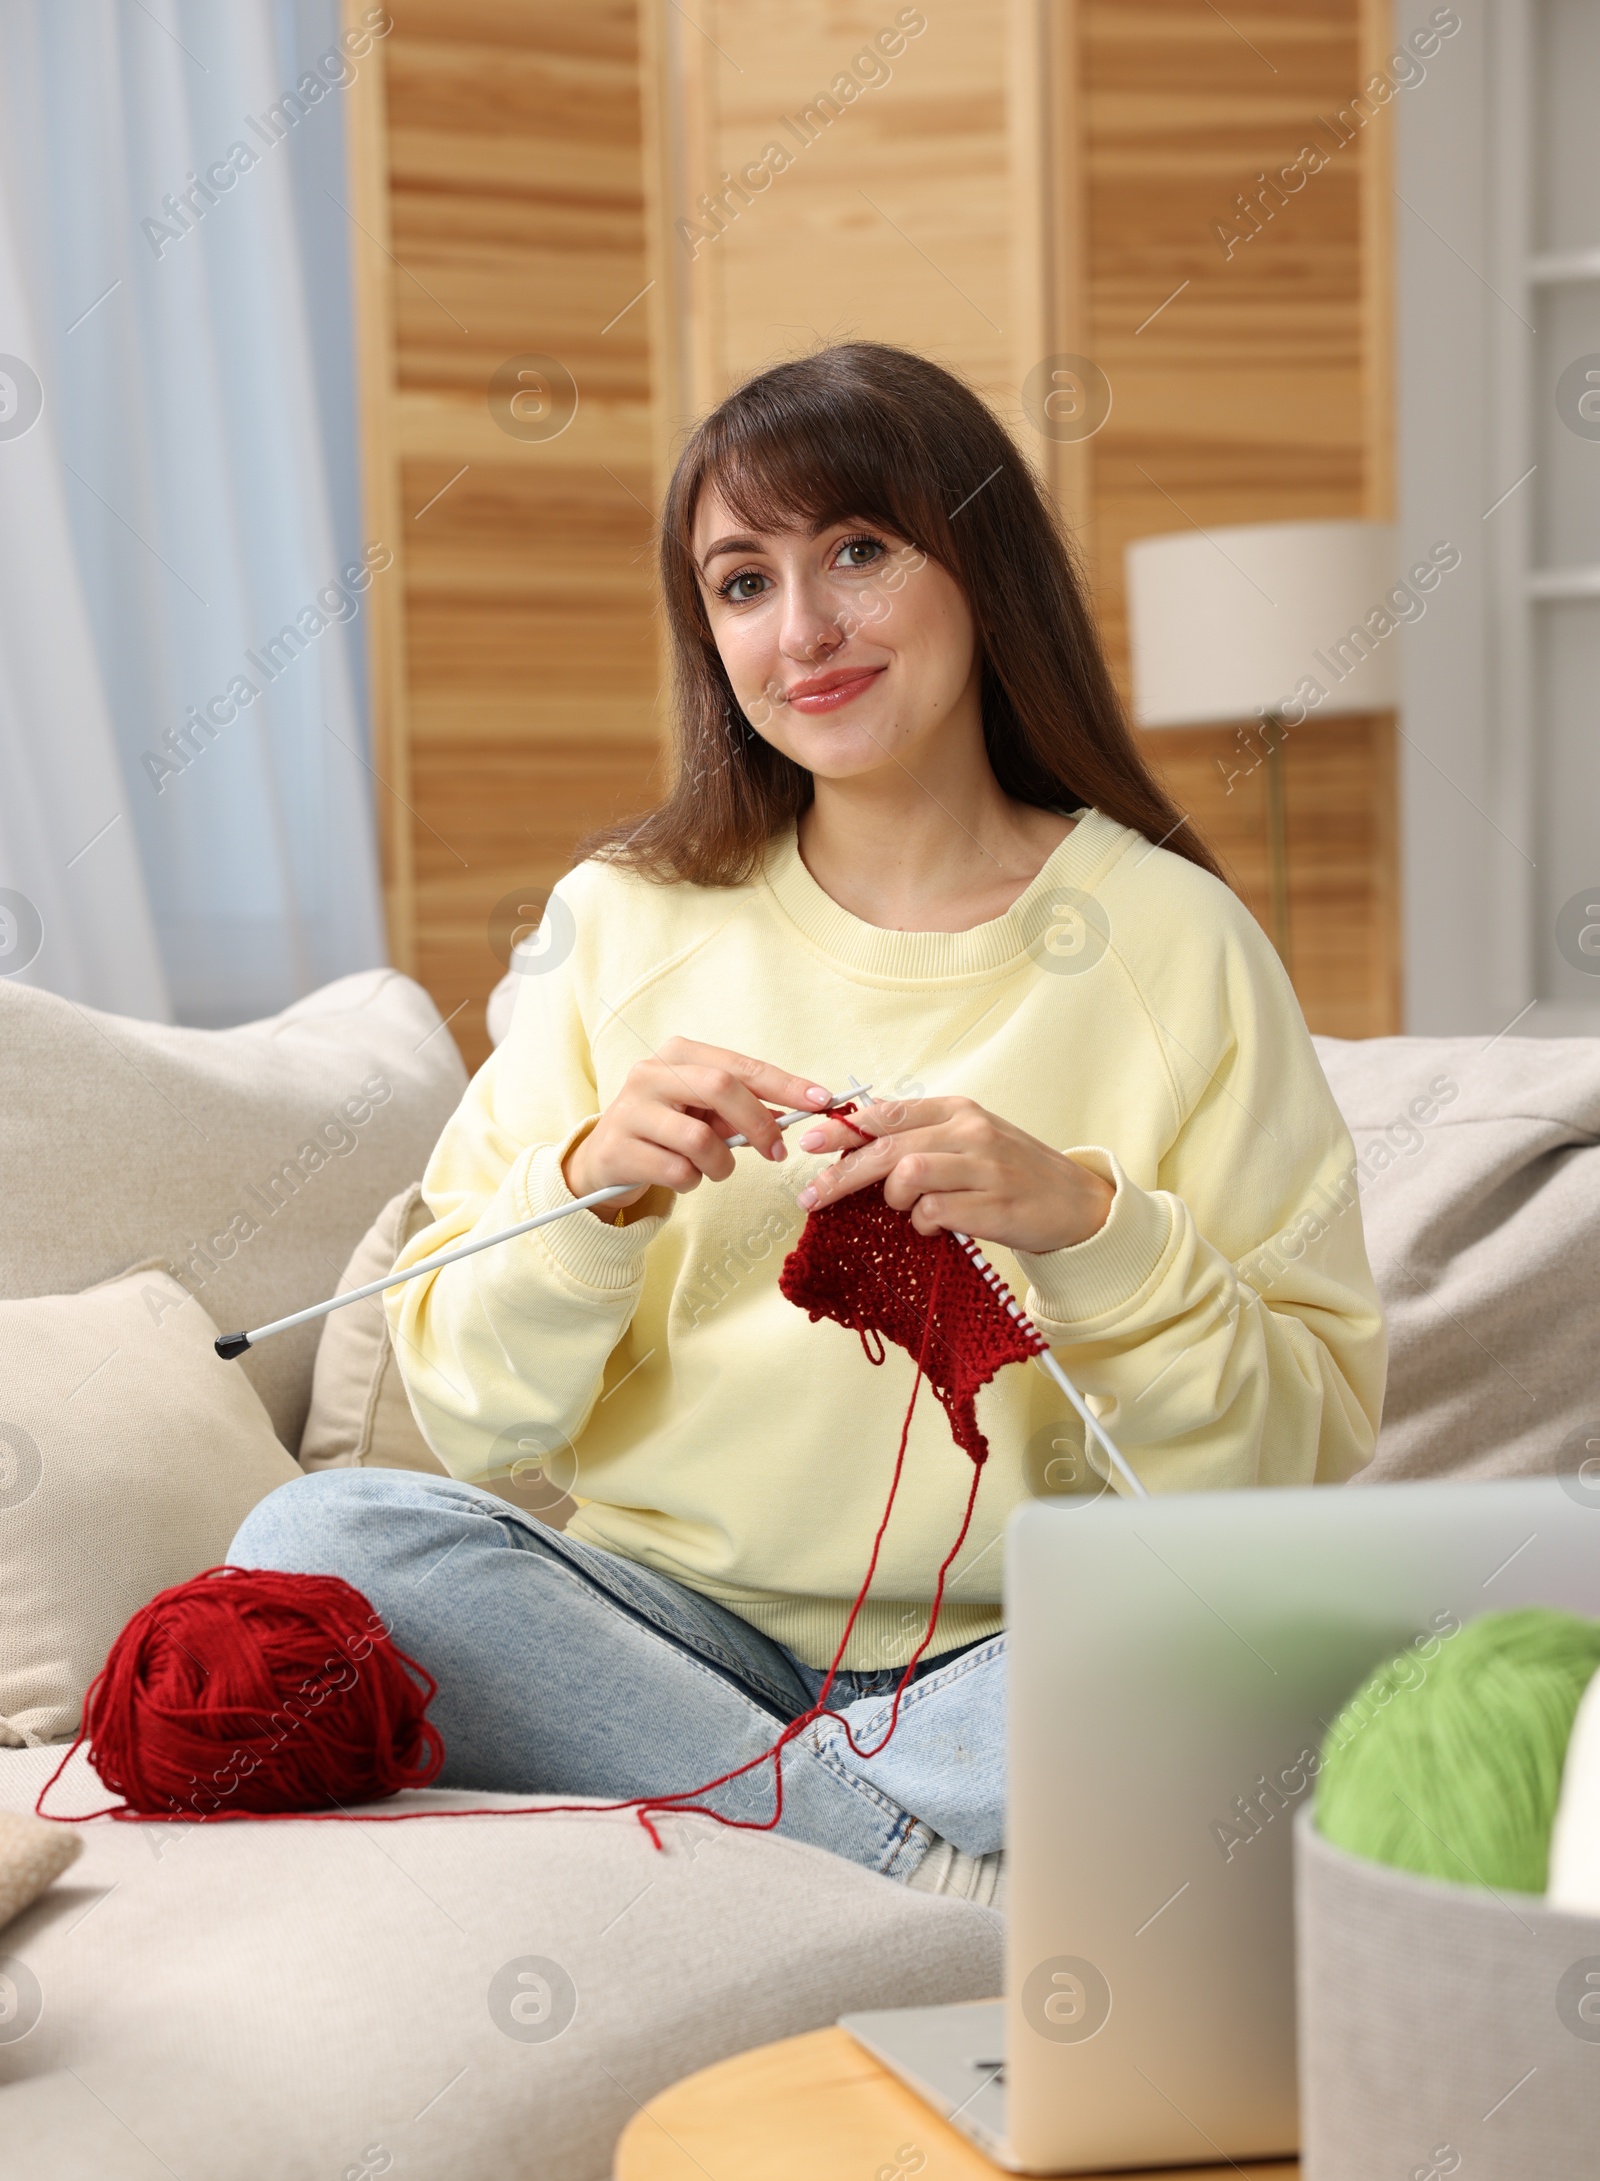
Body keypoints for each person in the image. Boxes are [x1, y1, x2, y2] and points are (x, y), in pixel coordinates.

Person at [230, 342, 1384, 1905]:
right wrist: (588, 1197)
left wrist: (1094, 1229)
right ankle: (895, 1854)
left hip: (1012, 1658)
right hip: (654, 1627)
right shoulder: (623, 920)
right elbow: (474, 1420)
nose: (807, 630)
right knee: (317, 1533)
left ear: (982, 564)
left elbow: (1292, 1474)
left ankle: (751, 1815)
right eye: (742, 582)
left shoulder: (1177, 943)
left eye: (857, 551)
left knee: (1356, 1641)